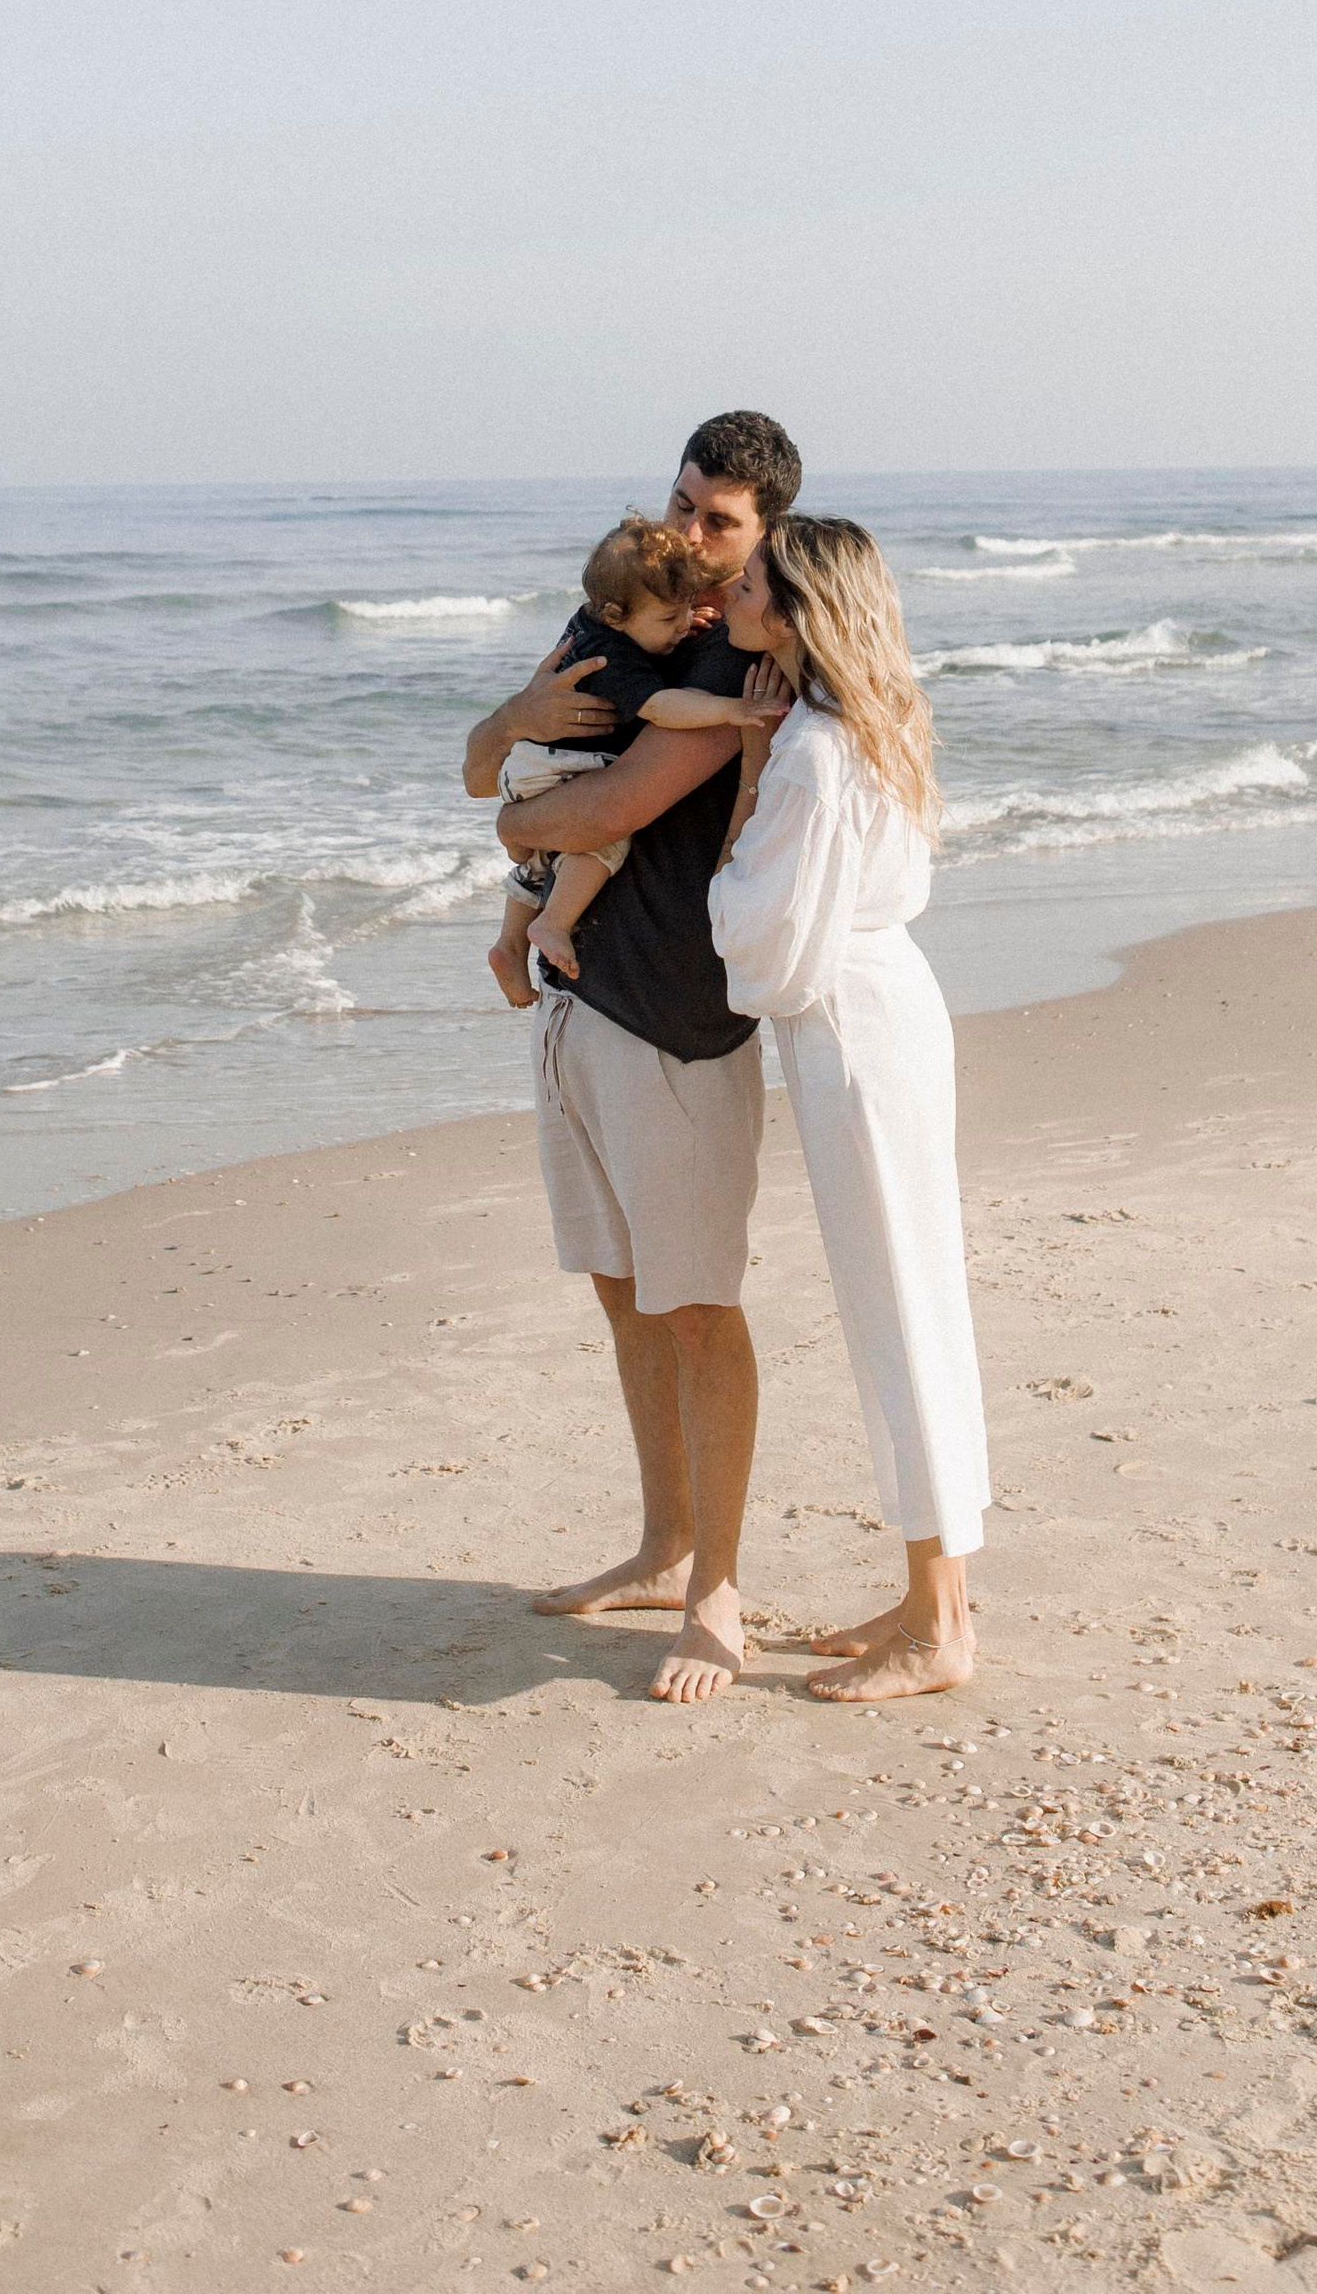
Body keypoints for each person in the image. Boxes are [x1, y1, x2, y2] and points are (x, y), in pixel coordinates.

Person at [465, 409, 803, 1706]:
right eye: (683, 503)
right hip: (574, 1001)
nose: (691, 533)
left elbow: (597, 804)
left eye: (721, 520)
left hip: (679, 1016)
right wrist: (510, 732)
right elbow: (482, 754)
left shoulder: (737, 650)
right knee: (619, 1289)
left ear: (764, 536)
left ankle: (717, 1592)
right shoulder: (616, 607)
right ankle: (664, 1545)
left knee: (699, 1308)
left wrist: (517, 810)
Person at [710, 512, 990, 1702]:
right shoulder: (876, 715)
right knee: (916, 1296)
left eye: (752, 583)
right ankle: (933, 1596)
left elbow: (763, 938)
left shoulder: (813, 751)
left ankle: (940, 1631)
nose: (729, 594)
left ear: (797, 608)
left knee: (898, 1309)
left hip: (851, 1033)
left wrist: (730, 829)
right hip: (887, 1008)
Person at [487, 513, 786, 1008]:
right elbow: (662, 707)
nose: (685, 624)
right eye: (670, 619)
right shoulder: (610, 657)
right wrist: (734, 709)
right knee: (603, 843)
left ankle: (509, 946)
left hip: (531, 765)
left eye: (688, 610)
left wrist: (678, 626)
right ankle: (554, 924)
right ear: (614, 614)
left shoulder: (600, 625)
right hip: (558, 764)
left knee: (543, 864)